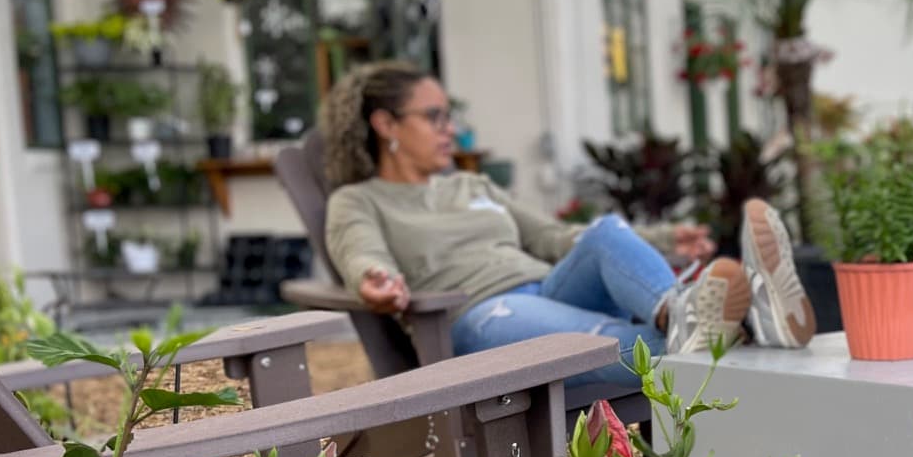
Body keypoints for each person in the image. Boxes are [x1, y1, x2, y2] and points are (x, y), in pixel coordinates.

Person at [321, 63, 816, 397]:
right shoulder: (359, 200)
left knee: (602, 231)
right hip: (481, 318)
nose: (449, 129)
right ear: (386, 124)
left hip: (551, 290)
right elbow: (360, 252)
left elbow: (557, 239)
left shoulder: (472, 185)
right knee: (636, 345)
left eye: (449, 117)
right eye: (434, 117)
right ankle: (753, 322)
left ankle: (679, 311)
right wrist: (375, 279)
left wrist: (663, 240)